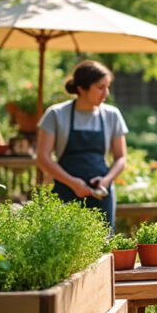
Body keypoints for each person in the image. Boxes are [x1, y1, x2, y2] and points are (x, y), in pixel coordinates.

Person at [37, 60, 128, 232]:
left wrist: (106, 181)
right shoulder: (56, 114)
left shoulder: (112, 115)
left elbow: (121, 158)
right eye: (100, 87)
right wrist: (73, 183)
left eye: (107, 87)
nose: (106, 93)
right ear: (81, 89)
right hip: (65, 191)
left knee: (103, 246)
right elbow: (43, 157)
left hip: (101, 194)